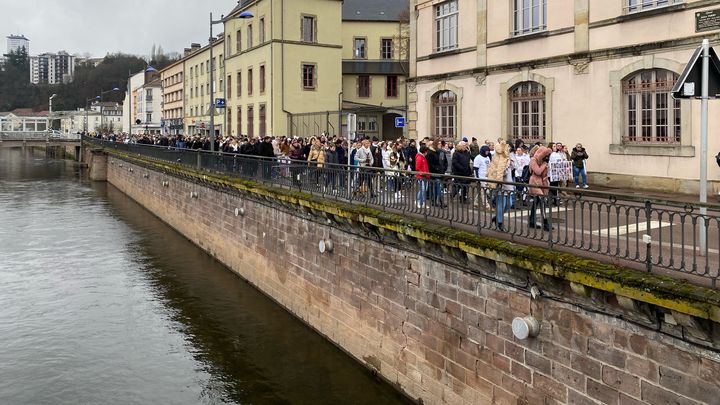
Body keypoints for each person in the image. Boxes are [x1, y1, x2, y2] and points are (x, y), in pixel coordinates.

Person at [528, 146, 553, 231]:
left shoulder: (542, 161)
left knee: (536, 203)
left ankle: (531, 221)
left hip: (541, 183)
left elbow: (544, 174)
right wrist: (544, 165)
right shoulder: (533, 160)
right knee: (542, 202)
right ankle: (546, 223)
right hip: (534, 182)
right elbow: (537, 171)